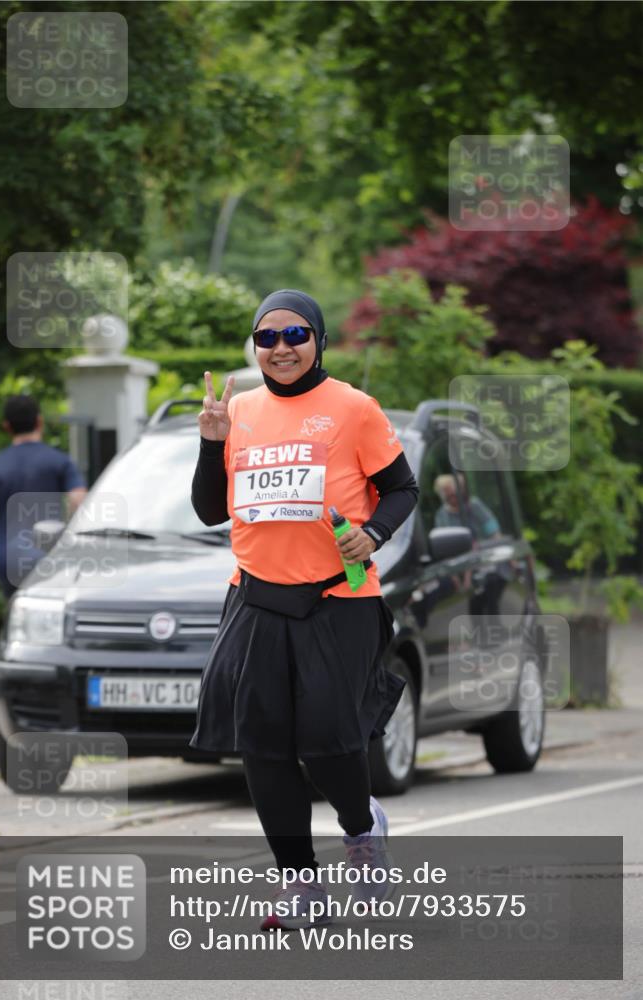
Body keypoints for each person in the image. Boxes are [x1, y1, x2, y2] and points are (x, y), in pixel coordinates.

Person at [190, 288, 419, 931]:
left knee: (328, 742)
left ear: (318, 339)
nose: (282, 348)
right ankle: (301, 886)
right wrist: (212, 443)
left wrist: (372, 535)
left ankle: (361, 829)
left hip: (337, 597)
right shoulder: (239, 409)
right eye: (268, 338)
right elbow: (212, 510)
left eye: (296, 335)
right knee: (261, 748)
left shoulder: (353, 408)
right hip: (256, 597)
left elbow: (402, 488)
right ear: (255, 346)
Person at [0, 394, 87, 598]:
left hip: (8, 557)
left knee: (15, 613)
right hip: (49, 555)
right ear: (39, 421)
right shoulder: (60, 461)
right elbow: (78, 499)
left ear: (7, 426)